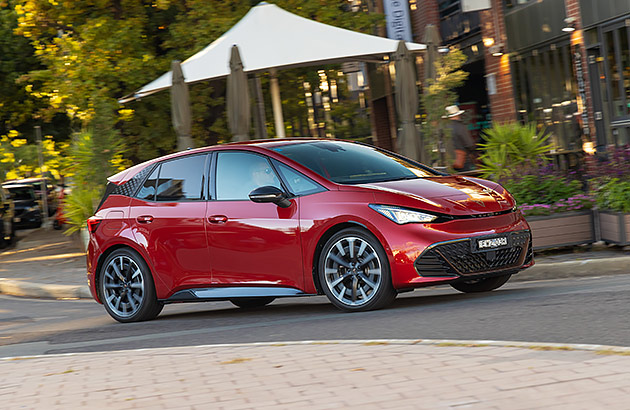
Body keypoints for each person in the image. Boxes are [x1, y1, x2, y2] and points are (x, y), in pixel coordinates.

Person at [444, 104, 476, 172]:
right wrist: (474, 152)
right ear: (457, 115)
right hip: (463, 160)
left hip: (449, 160)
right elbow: (469, 144)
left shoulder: (444, 128)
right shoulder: (460, 127)